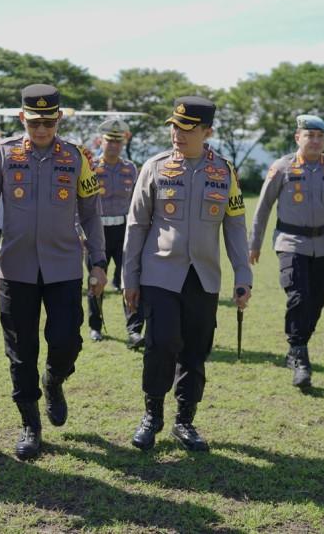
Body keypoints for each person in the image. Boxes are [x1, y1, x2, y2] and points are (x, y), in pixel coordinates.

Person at [0, 84, 107, 460]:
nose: (42, 129)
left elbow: (90, 212)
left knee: (67, 341)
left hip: (64, 266)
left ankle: (55, 379)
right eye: (34, 122)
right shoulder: (0, 155)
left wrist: (97, 263)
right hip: (15, 268)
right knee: (21, 351)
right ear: (22, 118)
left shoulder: (77, 157)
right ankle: (30, 424)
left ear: (59, 119)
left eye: (49, 121)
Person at [123, 96, 252, 452]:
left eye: (187, 128)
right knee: (160, 344)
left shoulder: (225, 172)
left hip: (204, 277)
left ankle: (185, 420)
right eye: (174, 126)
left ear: (207, 131)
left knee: (196, 351)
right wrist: (129, 278)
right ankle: (152, 416)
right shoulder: (155, 167)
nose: (177, 134)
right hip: (160, 273)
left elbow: (235, 226)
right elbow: (136, 226)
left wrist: (243, 275)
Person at [248, 114, 324, 388]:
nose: (315, 141)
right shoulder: (282, 167)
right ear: (298, 138)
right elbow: (263, 206)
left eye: (320, 137)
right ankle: (300, 355)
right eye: (309, 136)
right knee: (298, 295)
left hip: (322, 244)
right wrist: (254, 243)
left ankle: (296, 348)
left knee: (317, 299)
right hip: (290, 242)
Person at [88, 118, 145, 348]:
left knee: (129, 279)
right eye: (109, 141)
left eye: (117, 142)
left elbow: (136, 203)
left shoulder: (130, 168)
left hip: (124, 231)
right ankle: (95, 326)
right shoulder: (90, 166)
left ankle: (134, 330)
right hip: (97, 231)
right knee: (95, 279)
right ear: (101, 141)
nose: (113, 146)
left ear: (123, 143)